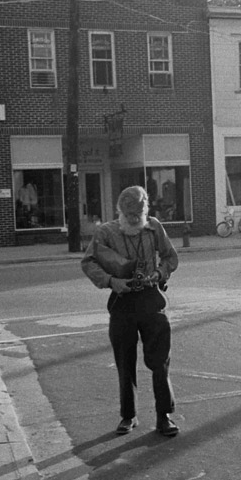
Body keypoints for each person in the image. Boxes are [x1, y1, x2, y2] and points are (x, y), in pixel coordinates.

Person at [81, 185, 181, 437]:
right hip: (122, 303)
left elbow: (170, 257)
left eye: (138, 214)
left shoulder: (155, 227)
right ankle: (128, 415)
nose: (134, 220)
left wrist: (160, 272)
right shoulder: (106, 232)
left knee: (160, 362)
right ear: (119, 211)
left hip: (151, 300)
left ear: (146, 210)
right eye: (129, 215)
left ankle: (164, 416)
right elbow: (88, 261)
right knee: (125, 362)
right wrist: (111, 281)